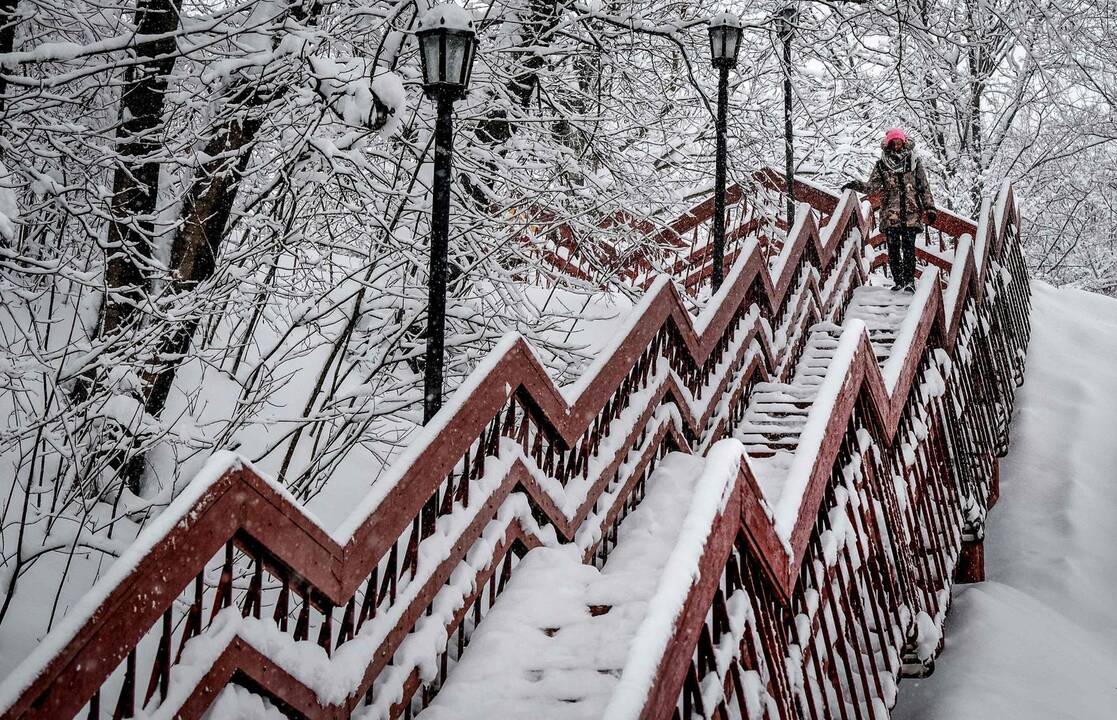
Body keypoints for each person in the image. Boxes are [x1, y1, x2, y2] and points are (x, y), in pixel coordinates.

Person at [842, 128, 937, 292]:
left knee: (908, 250)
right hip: (891, 214)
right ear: (889, 144)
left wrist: (930, 208)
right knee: (893, 250)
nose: (897, 145)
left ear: (904, 142)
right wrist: (856, 185)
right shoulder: (882, 165)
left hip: (911, 214)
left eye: (899, 142)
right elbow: (872, 186)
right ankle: (899, 281)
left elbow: (923, 187)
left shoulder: (914, 162)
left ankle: (909, 283)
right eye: (894, 143)